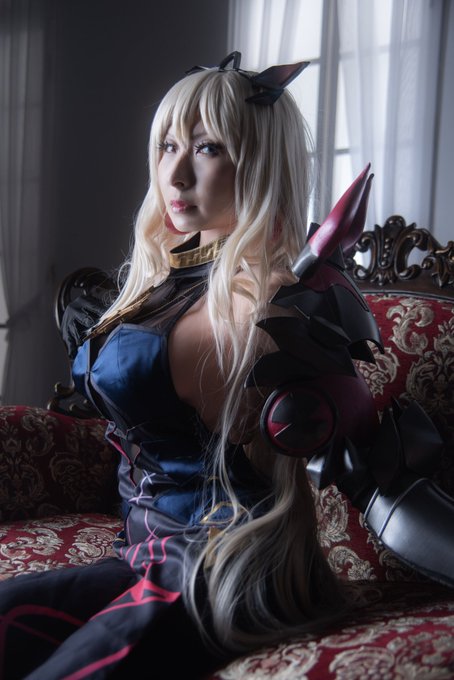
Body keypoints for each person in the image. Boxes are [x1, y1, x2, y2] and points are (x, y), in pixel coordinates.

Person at [0, 51, 452, 680]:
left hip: (224, 567)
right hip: (140, 555)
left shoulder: (277, 305)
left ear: (259, 162)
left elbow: (379, 475)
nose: (176, 172)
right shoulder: (166, 280)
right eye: (167, 146)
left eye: (207, 148)